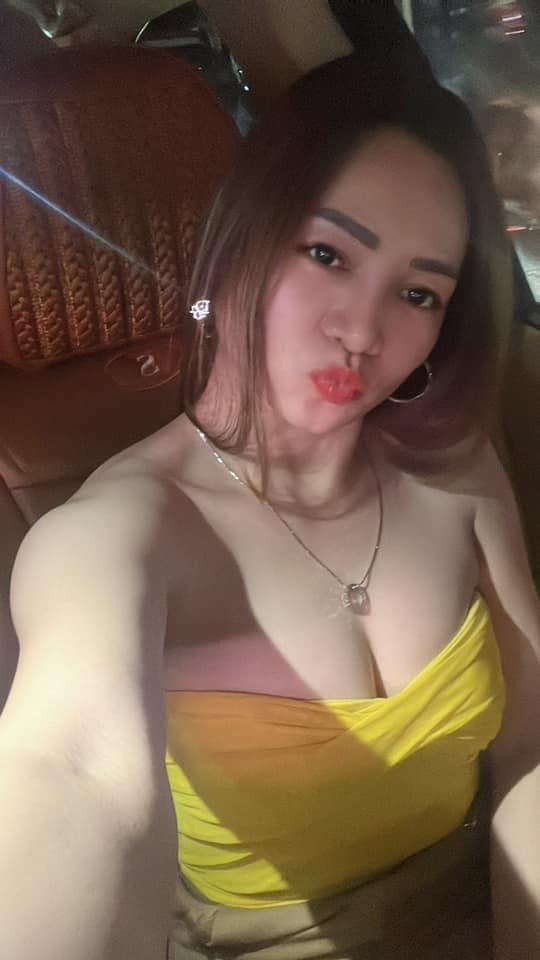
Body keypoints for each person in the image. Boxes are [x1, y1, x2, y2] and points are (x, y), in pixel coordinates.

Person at [1, 53, 539, 960]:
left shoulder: (458, 468)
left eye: (418, 293)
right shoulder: (114, 536)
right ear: (240, 244)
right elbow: (71, 774)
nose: (362, 331)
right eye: (328, 254)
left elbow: (531, 746)